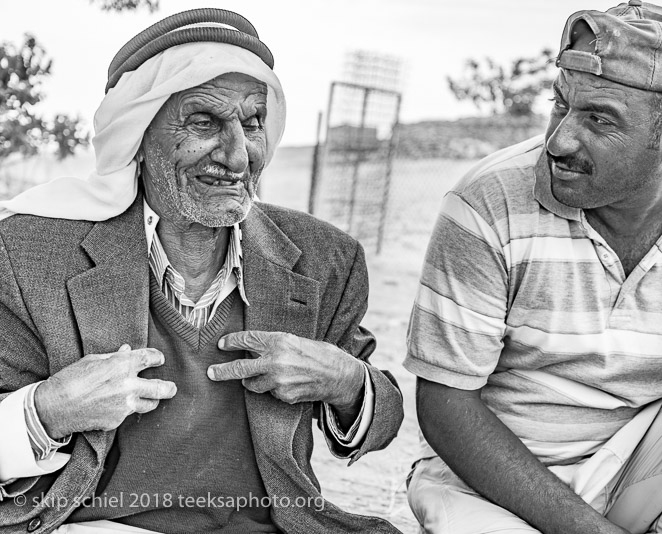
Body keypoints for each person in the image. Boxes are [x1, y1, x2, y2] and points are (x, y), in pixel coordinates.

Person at [0, 9, 403, 534]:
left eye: (253, 123)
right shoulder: (30, 255)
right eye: (204, 123)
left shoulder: (326, 258)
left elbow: (384, 416)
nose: (238, 157)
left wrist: (346, 381)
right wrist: (48, 410)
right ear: (137, 137)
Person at [404, 2, 662, 533]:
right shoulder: (487, 202)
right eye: (560, 104)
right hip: (498, 483)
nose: (559, 141)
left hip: (649, 462)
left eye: (599, 119)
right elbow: (445, 404)